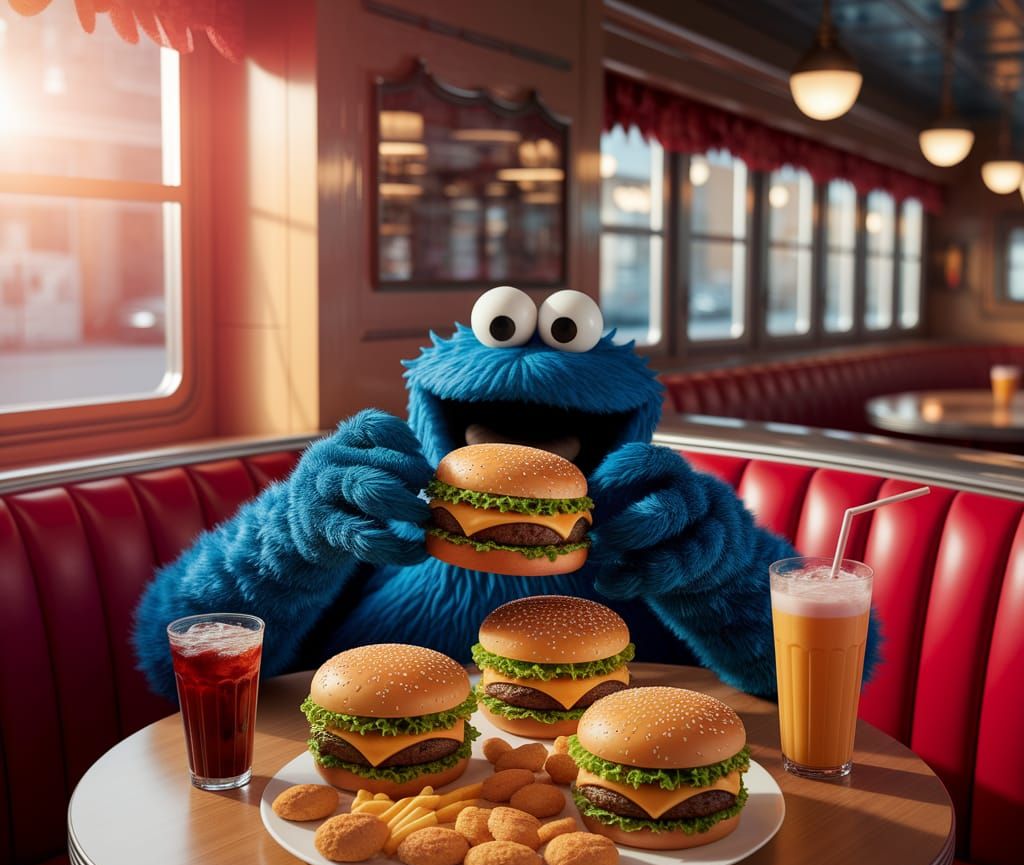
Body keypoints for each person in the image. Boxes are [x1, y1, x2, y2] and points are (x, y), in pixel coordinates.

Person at [133, 287, 877, 700]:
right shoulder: (381, 506)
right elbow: (176, 656)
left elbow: (829, 667)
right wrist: (290, 536)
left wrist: (718, 566)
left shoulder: (651, 520)